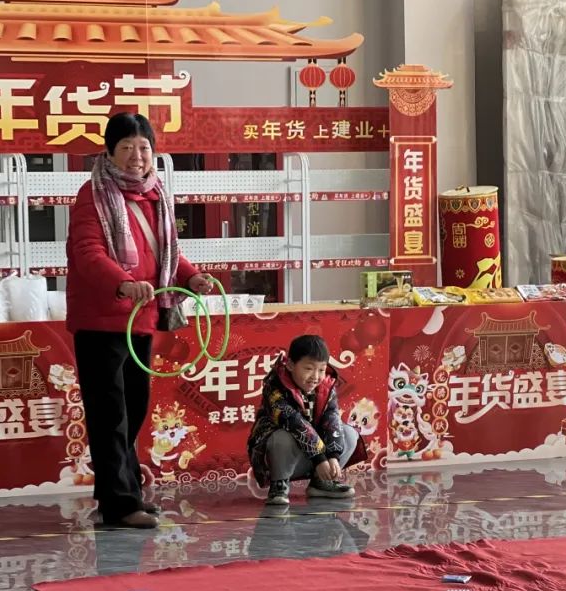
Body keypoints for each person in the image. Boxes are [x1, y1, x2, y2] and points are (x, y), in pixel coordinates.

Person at [66, 113, 212, 529]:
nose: (137, 155)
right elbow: (88, 253)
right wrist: (123, 283)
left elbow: (166, 251)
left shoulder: (155, 194)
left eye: (144, 147)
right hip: (101, 321)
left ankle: (122, 490)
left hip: (141, 318)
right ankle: (119, 503)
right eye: (127, 147)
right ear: (109, 152)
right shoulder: (93, 195)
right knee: (110, 413)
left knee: (132, 409)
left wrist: (191, 276)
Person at [247, 335, 366, 505]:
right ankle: (279, 485)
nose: (315, 376)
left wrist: (333, 456)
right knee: (282, 437)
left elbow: (331, 418)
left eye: (321, 370)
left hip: (315, 457)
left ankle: (321, 482)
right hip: (282, 457)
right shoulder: (274, 386)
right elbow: (293, 421)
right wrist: (319, 458)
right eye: (309, 368)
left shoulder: (326, 386)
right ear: (290, 365)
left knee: (348, 433)